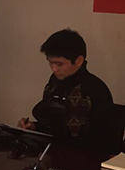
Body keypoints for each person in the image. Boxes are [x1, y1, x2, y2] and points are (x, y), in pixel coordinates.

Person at [19, 29, 122, 158]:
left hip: (85, 159)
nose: (54, 69)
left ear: (78, 61)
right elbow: (54, 123)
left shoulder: (95, 90)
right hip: (53, 155)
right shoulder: (55, 83)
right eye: (50, 63)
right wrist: (34, 127)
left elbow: (105, 140)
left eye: (59, 64)